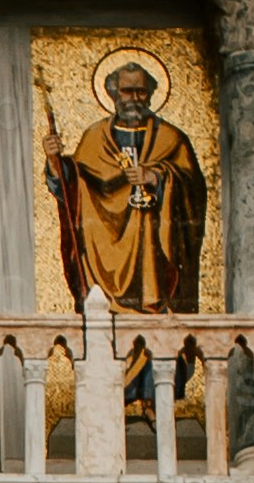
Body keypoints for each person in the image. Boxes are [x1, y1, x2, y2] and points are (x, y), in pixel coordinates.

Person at [45, 57, 210, 313]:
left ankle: (154, 300)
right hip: (105, 250)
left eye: (141, 91)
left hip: (152, 245)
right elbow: (75, 184)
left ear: (151, 94)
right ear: (112, 94)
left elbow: (194, 189)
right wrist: (55, 162)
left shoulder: (171, 138)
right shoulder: (95, 137)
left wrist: (157, 177)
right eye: (126, 90)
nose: (134, 98)